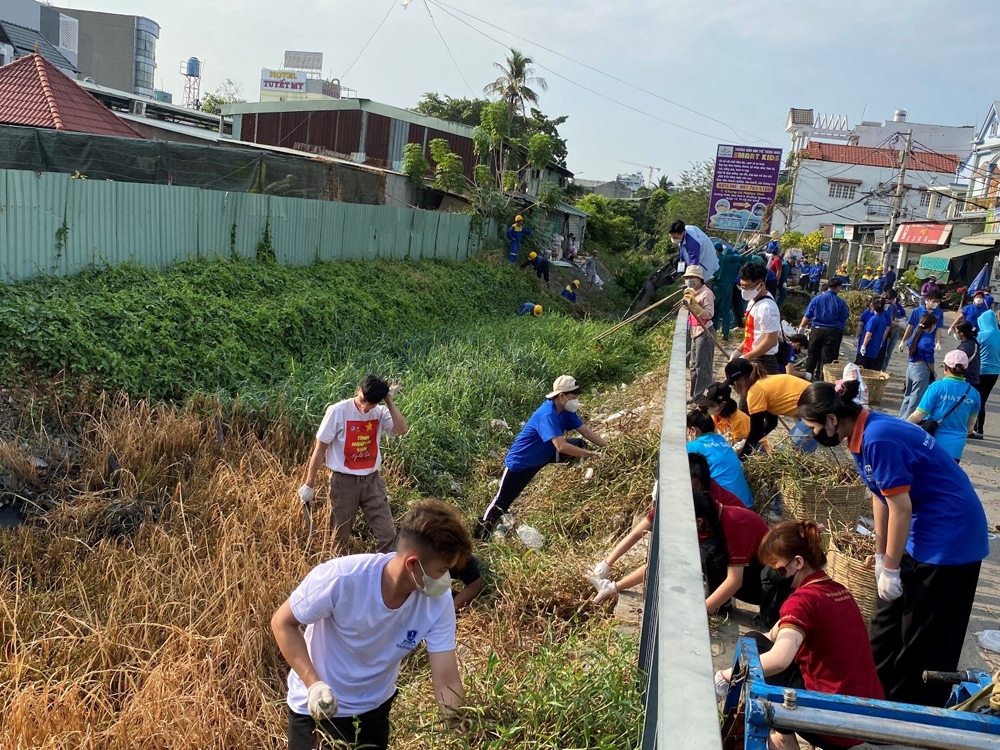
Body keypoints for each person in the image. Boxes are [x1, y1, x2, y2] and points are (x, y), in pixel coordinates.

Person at [798, 380, 988, 707]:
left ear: (831, 420)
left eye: (813, 427)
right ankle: (869, 695)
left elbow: (901, 506)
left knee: (921, 633)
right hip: (919, 530)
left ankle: (908, 713)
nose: (813, 433)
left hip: (950, 536)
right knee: (885, 623)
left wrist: (892, 567)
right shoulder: (859, 435)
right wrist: (881, 554)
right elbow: (880, 498)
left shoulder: (878, 437)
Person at [271, 499, 471, 750]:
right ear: (412, 564)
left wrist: (460, 734)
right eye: (442, 570)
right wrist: (314, 684)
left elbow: (447, 681)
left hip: (374, 710)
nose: (446, 580)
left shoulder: (438, 602)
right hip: (316, 709)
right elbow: (282, 623)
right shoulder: (342, 579)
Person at [714, 521, 884, 750]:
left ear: (798, 562)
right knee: (758, 640)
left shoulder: (802, 601)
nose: (774, 574)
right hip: (868, 712)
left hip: (833, 721)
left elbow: (779, 659)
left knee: (758, 651)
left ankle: (782, 737)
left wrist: (727, 676)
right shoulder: (838, 590)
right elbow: (775, 633)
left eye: (778, 568)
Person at [475, 376, 606, 539]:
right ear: (561, 396)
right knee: (502, 502)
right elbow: (562, 446)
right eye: (574, 397)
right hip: (522, 463)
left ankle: (581, 478)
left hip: (545, 454)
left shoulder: (566, 412)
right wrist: (592, 455)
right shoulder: (547, 414)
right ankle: (481, 534)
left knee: (579, 444)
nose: (576, 401)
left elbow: (585, 431)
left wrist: (607, 448)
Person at [299, 375, 408, 554]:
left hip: (372, 482)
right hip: (344, 483)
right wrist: (309, 484)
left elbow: (402, 429)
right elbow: (319, 449)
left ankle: (381, 575)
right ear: (358, 389)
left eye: (371, 403)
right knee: (339, 537)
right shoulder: (338, 411)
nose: (365, 407)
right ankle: (339, 575)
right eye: (364, 400)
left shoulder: (380, 412)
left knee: (387, 534)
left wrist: (388, 398)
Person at [694, 488, 770, 616]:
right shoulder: (714, 516)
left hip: (763, 584)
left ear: (699, 522)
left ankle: (718, 605)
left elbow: (735, 580)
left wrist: (701, 612)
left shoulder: (734, 523)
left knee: (710, 553)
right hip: (752, 571)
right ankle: (718, 602)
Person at [724, 359, 810, 458]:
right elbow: (771, 423)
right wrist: (746, 442)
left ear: (741, 381)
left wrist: (742, 457)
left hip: (815, 410)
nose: (734, 388)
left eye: (732, 384)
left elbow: (755, 431)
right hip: (815, 405)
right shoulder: (765, 381)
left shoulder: (755, 392)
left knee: (785, 455)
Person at [906, 350, 980, 463]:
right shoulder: (974, 394)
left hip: (930, 444)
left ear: (946, 367)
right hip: (955, 448)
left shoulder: (937, 387)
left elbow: (919, 415)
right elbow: (970, 427)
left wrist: (903, 425)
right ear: (966, 369)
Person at [686, 410, 753, 507]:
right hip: (745, 502)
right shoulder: (722, 440)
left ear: (693, 431)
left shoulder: (692, 447)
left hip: (725, 506)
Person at [798, 278, 850, 381]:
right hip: (832, 333)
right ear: (838, 288)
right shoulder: (841, 303)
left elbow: (807, 316)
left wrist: (801, 329)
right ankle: (821, 381)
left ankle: (806, 380)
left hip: (816, 331)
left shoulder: (817, 299)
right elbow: (844, 317)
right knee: (826, 360)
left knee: (812, 356)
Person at [737, 262, 782, 374]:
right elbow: (752, 334)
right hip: (750, 355)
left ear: (761, 285)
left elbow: (771, 340)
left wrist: (747, 357)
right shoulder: (753, 301)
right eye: (741, 286)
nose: (744, 291)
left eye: (747, 287)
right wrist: (738, 352)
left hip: (762, 360)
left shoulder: (767, 308)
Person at [898, 313, 939, 419]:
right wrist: (932, 371)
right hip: (921, 370)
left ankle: (901, 418)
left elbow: (909, 343)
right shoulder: (928, 341)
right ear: (931, 326)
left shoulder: (915, 335)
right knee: (915, 400)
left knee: (907, 397)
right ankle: (908, 422)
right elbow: (930, 359)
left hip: (911, 367)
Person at [684, 265, 717, 398]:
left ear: (699, 279)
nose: (689, 280)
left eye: (692, 277)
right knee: (693, 366)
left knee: (702, 367)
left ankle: (701, 397)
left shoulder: (706, 293)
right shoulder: (690, 291)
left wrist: (694, 306)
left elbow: (709, 314)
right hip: (695, 331)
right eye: (687, 278)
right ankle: (694, 396)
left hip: (705, 332)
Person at [974, 309, 1000, 437]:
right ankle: (979, 429)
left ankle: (975, 428)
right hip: (994, 373)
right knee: (983, 399)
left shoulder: (981, 336)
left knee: (976, 400)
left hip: (981, 371)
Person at [899, 288, 944, 356]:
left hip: (929, 343)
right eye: (934, 301)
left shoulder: (939, 313)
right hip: (915, 341)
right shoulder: (917, 311)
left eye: (938, 302)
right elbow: (910, 326)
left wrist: (938, 342)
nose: (936, 304)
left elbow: (938, 328)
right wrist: (903, 341)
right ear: (928, 300)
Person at [855, 297, 889, 370]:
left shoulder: (873, 319)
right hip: (875, 349)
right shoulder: (883, 319)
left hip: (868, 348)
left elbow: (869, 333)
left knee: (860, 369)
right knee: (870, 369)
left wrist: (863, 346)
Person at [879, 289, 907, 372]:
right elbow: (890, 322)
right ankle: (881, 370)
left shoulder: (891, 305)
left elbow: (900, 315)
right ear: (894, 298)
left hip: (891, 331)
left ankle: (881, 370)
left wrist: (900, 320)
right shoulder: (890, 306)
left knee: (886, 353)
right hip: (889, 332)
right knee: (886, 353)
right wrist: (899, 324)